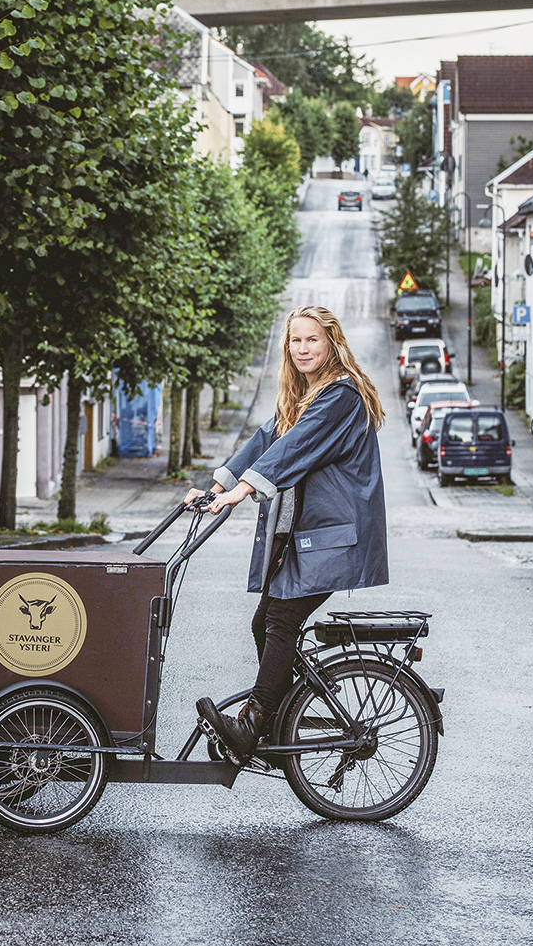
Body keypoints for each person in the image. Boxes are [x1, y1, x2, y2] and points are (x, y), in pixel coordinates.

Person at [186, 304, 387, 766]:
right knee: (266, 623)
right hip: (311, 536)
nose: (302, 348)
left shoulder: (340, 396)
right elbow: (268, 439)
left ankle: (255, 723)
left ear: (331, 342)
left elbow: (294, 448)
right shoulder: (306, 394)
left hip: (335, 536)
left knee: (279, 623)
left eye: (311, 339)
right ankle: (283, 717)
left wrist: (241, 492)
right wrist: (217, 484)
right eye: (295, 340)